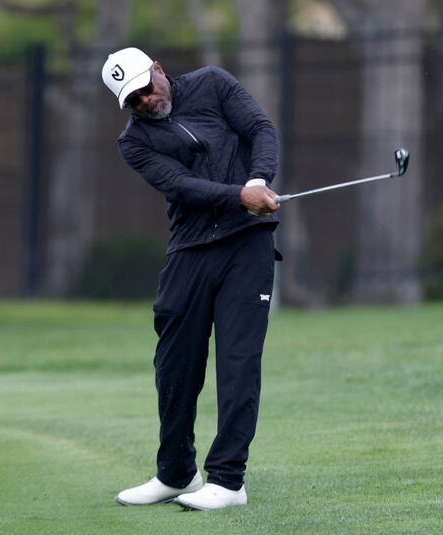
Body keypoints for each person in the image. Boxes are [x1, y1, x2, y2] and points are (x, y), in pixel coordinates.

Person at [101, 47, 281, 511]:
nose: (143, 100)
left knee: (239, 360)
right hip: (190, 249)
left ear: (159, 69)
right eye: (131, 99)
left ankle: (228, 481)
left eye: (145, 87)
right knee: (174, 364)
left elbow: (260, 128)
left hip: (247, 243)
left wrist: (259, 179)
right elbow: (181, 185)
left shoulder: (213, 83)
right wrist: (241, 194)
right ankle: (177, 473)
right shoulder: (133, 143)